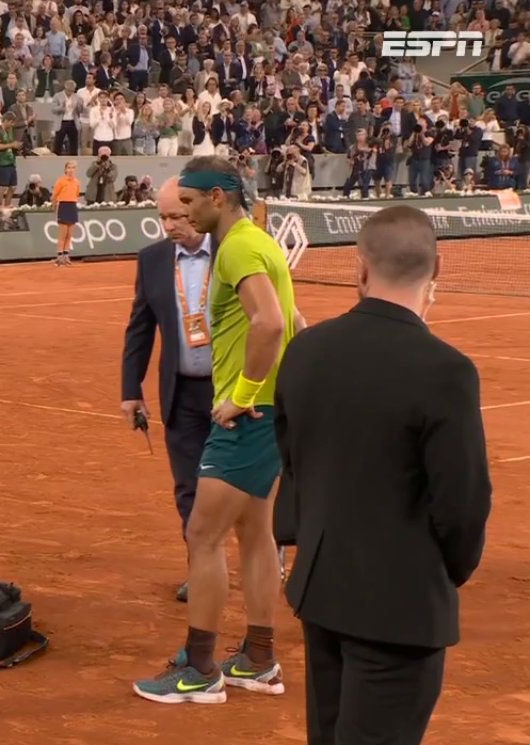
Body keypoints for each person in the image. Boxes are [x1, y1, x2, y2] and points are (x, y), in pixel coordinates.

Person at [274, 206, 491, 744]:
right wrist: (441, 575)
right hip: (401, 608)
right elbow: (463, 504)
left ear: (360, 268)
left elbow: (293, 460)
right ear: (436, 269)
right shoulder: (447, 370)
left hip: (321, 592)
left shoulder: (307, 350)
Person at [133, 155, 305, 705]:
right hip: (273, 412)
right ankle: (258, 659)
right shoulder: (258, 240)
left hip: (249, 418)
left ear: (216, 199)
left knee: (202, 536)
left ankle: (200, 670)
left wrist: (245, 395)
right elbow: (295, 324)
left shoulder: (235, 248)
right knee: (258, 537)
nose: (180, 212)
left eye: (187, 202)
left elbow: (272, 323)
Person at [120, 177, 215, 604]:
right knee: (188, 489)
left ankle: (270, 563)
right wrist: (130, 389)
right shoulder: (153, 260)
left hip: (236, 394)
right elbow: (140, 328)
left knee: (253, 491)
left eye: (177, 215)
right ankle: (201, 570)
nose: (170, 225)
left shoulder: (234, 252)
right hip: (182, 394)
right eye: (162, 217)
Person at [50, 160, 81, 267]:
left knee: (69, 235)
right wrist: (54, 207)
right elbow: (54, 196)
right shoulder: (60, 181)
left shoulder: (77, 182)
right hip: (63, 206)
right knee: (63, 235)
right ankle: (59, 257)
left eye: (73, 168)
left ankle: (66, 255)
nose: (71, 170)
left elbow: (76, 195)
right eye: (69, 167)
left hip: (72, 206)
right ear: (65, 169)